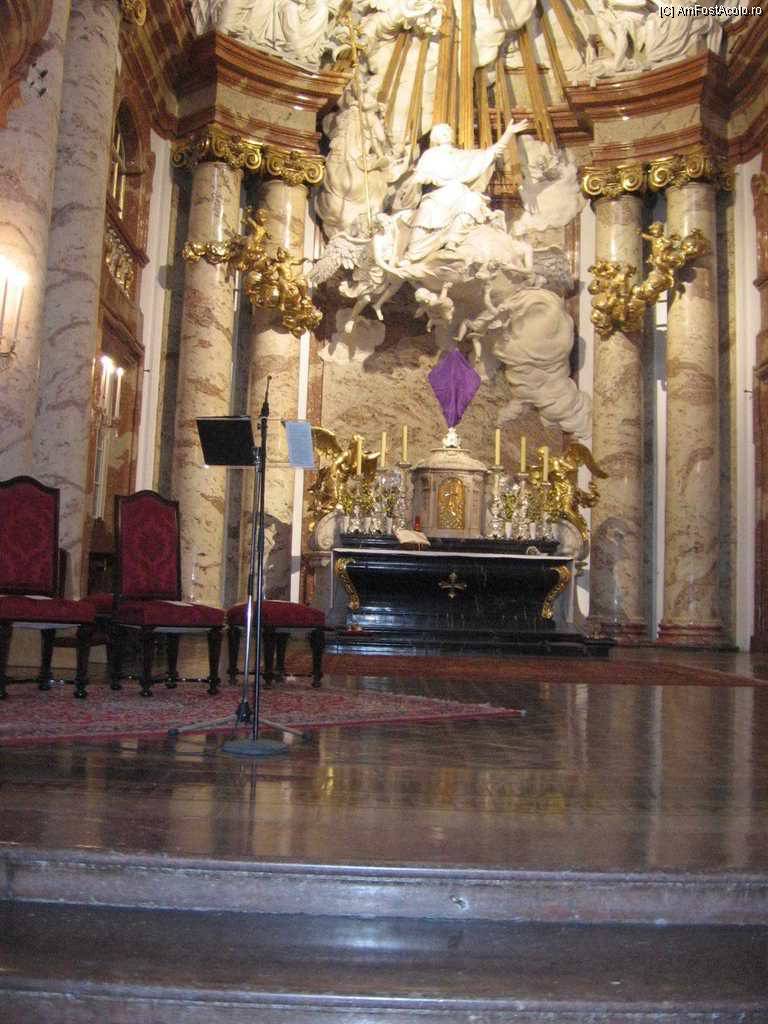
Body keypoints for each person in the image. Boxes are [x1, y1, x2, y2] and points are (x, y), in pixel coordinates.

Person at [402, 118, 531, 264]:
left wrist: (508, 133)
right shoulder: (430, 155)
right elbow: (421, 174)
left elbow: (493, 152)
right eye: (442, 132)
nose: (446, 133)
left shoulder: (464, 155)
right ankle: (412, 255)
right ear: (435, 137)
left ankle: (452, 242)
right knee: (426, 212)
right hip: (439, 195)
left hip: (460, 192)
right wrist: (419, 179)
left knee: (472, 201)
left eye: (448, 131)